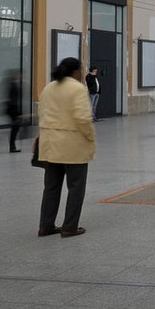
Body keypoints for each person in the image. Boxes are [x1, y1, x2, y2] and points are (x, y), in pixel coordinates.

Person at [37, 57, 95, 237]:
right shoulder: (77, 88)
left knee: (51, 187)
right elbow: (83, 118)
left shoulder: (49, 87)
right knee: (76, 187)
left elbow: (42, 112)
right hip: (72, 145)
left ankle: (46, 225)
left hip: (50, 144)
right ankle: (69, 227)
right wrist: (90, 138)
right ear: (76, 71)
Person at [5, 69, 23, 153]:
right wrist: (17, 112)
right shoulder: (13, 85)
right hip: (13, 110)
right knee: (15, 129)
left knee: (15, 128)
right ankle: (12, 146)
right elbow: (13, 100)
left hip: (12, 109)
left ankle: (12, 146)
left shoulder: (12, 84)